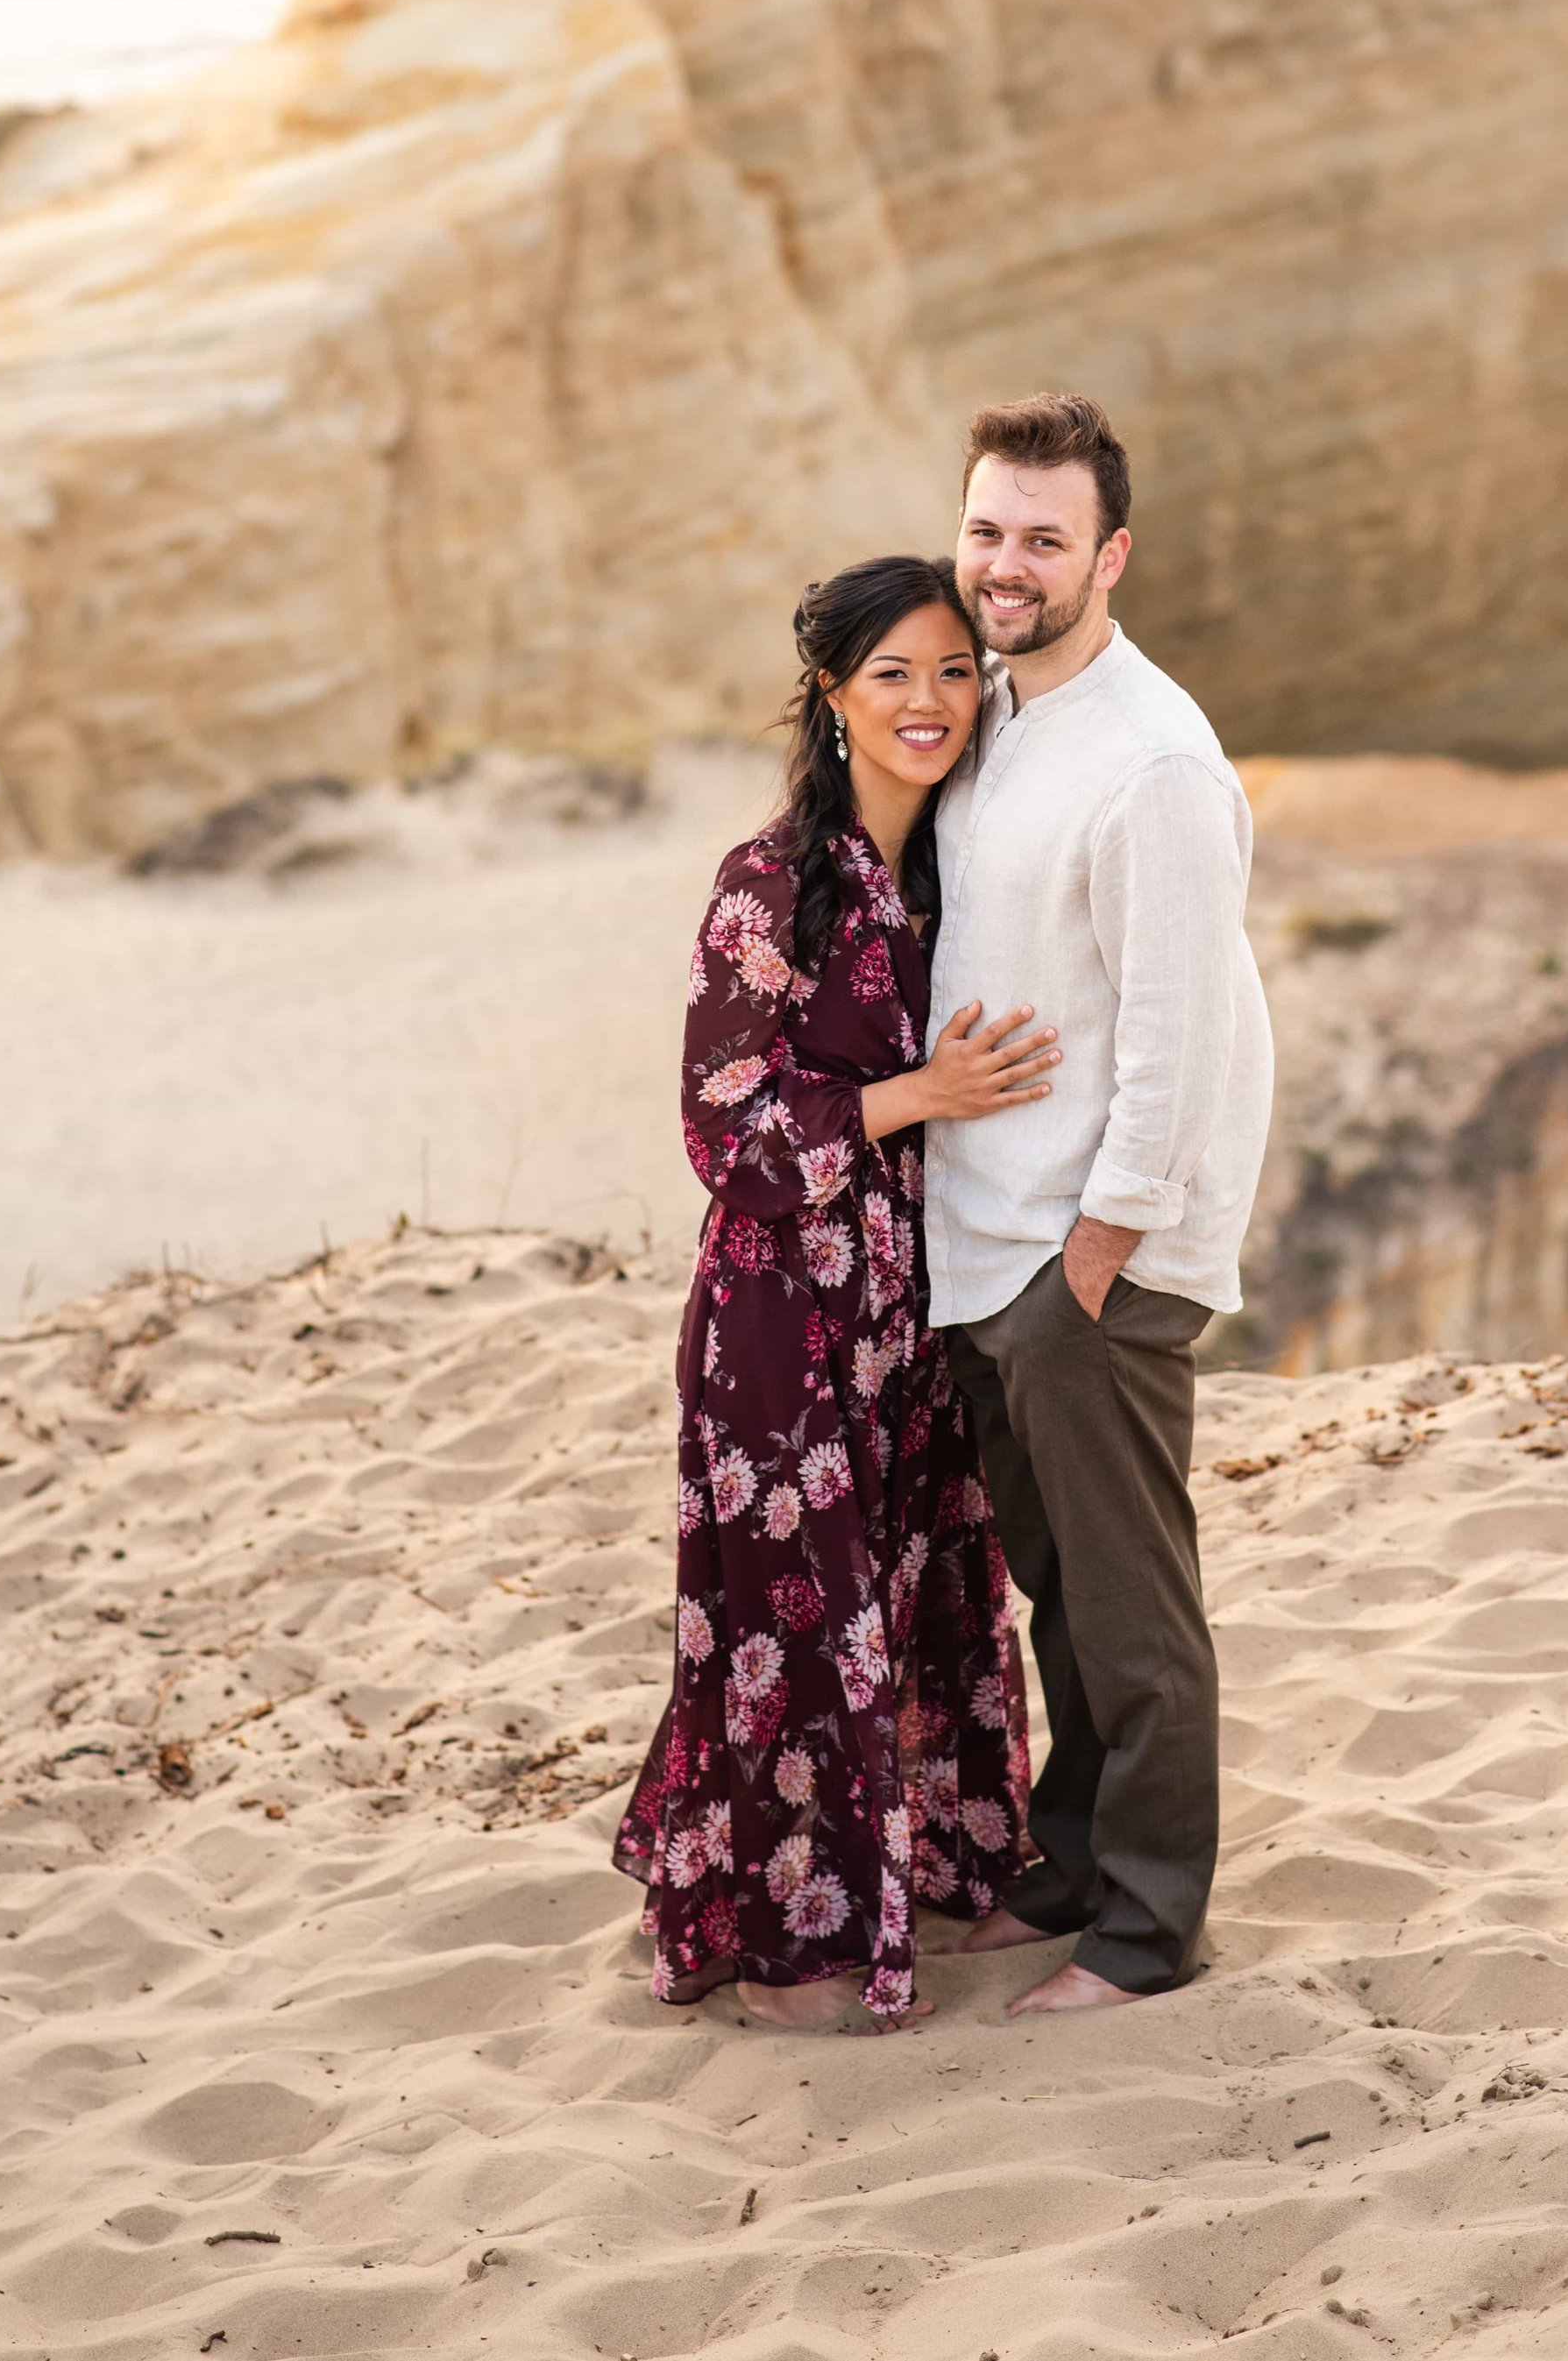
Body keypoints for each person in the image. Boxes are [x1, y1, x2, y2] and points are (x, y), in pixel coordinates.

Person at [614, 555, 1054, 2032]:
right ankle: (792, 1943)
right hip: (781, 1322)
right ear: (832, 693)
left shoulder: (963, 867)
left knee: (932, 1592)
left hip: (920, 1310)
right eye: (892, 676)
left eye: (950, 673)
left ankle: (932, 1876)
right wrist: (912, 1093)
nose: (928, 704)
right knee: (800, 1625)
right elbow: (719, 1124)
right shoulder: (769, 878)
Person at [928, 394, 1275, 2017]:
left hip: (1095, 1255)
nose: (1009, 563)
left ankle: (1146, 1934)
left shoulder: (1155, 765)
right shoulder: (991, 710)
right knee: (1061, 1588)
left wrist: (1100, 1252)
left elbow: (1181, 1033)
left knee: (1135, 1609)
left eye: (1044, 538)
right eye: (989, 528)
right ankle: (1068, 1865)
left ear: (1110, 555)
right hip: (991, 1241)